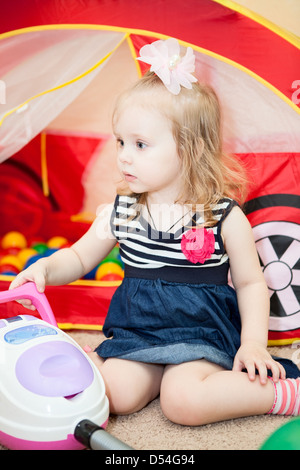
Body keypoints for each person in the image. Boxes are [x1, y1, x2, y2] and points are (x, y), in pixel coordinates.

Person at [10, 38, 299, 426]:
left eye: (141, 144)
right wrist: (45, 270)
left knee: (184, 403)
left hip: (202, 335)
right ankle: (152, 376)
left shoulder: (223, 217)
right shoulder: (122, 210)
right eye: (121, 142)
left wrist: (253, 345)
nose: (124, 155)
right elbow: (78, 257)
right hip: (139, 334)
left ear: (191, 150)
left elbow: (251, 284)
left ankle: (282, 393)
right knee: (111, 393)